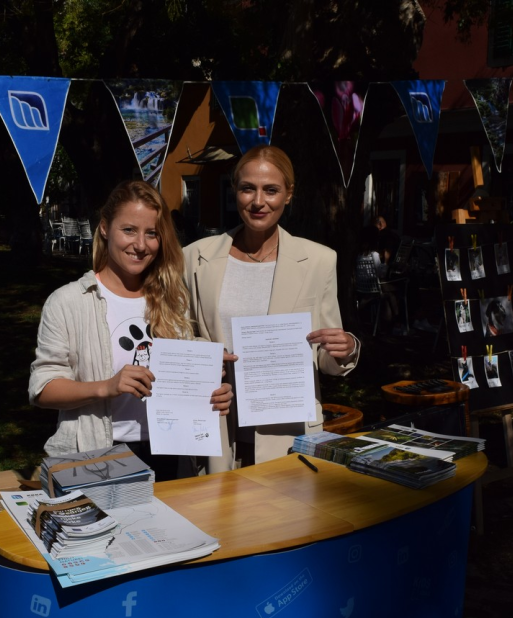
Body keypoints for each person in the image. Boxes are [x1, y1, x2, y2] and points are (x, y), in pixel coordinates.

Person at [29, 180, 233, 480]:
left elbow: (184, 382)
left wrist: (210, 390)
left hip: (172, 451)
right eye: (129, 230)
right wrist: (106, 387)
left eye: (151, 233)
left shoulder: (174, 299)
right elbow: (43, 388)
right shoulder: (69, 301)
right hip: (100, 452)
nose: (140, 244)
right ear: (104, 228)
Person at [183, 145, 360, 472]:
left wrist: (344, 348)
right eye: (248, 188)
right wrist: (202, 355)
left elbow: (326, 354)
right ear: (235, 191)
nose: (258, 201)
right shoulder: (194, 257)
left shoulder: (319, 260)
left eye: (271, 190)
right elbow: (180, 337)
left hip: (287, 433)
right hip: (218, 429)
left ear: (289, 194)